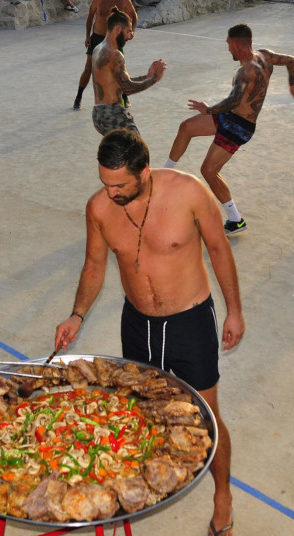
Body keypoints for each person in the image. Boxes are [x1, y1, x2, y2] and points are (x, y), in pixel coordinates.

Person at [54, 128, 245, 536]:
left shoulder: (188, 192)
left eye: (120, 184)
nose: (111, 193)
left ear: (144, 170)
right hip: (137, 323)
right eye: (105, 183)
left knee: (206, 417)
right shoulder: (99, 207)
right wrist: (77, 315)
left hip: (189, 322)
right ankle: (147, 480)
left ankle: (223, 495)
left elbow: (219, 249)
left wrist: (235, 312)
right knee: (141, 412)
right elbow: (93, 266)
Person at [164, 24, 294, 235]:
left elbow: (233, 100)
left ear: (237, 45)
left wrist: (207, 109)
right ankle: (166, 174)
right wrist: (293, 83)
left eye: (229, 45)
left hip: (239, 127)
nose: (228, 49)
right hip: (230, 117)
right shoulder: (265, 56)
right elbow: (293, 61)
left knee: (209, 171)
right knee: (186, 128)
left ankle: (235, 219)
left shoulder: (244, 72)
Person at [91, 7, 166, 135]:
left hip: (99, 115)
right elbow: (128, 88)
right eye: (128, 31)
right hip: (113, 114)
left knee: (118, 153)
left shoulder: (98, 49)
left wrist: (147, 76)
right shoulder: (114, 54)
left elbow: (119, 83)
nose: (129, 36)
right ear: (118, 29)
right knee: (137, 150)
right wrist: (154, 79)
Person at [73, 0, 137, 110]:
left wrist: (132, 31)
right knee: (89, 68)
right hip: (97, 37)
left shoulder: (124, 0)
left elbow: (134, 16)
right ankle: (78, 97)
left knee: (120, 70)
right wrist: (87, 36)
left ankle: (125, 97)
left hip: (116, 39)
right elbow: (90, 18)